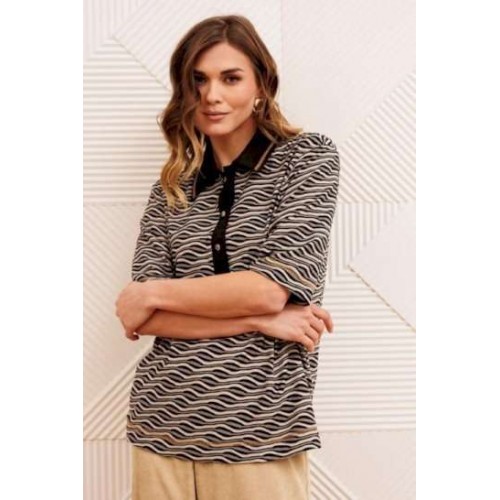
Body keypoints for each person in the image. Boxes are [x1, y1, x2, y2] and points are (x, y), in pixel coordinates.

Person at [115, 14, 340, 500]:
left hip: (261, 431)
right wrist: (260, 321)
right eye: (198, 80)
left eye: (230, 78)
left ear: (261, 85)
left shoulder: (306, 159)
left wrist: (154, 292)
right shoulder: (170, 190)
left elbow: (268, 290)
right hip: (161, 424)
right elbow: (145, 317)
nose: (211, 95)